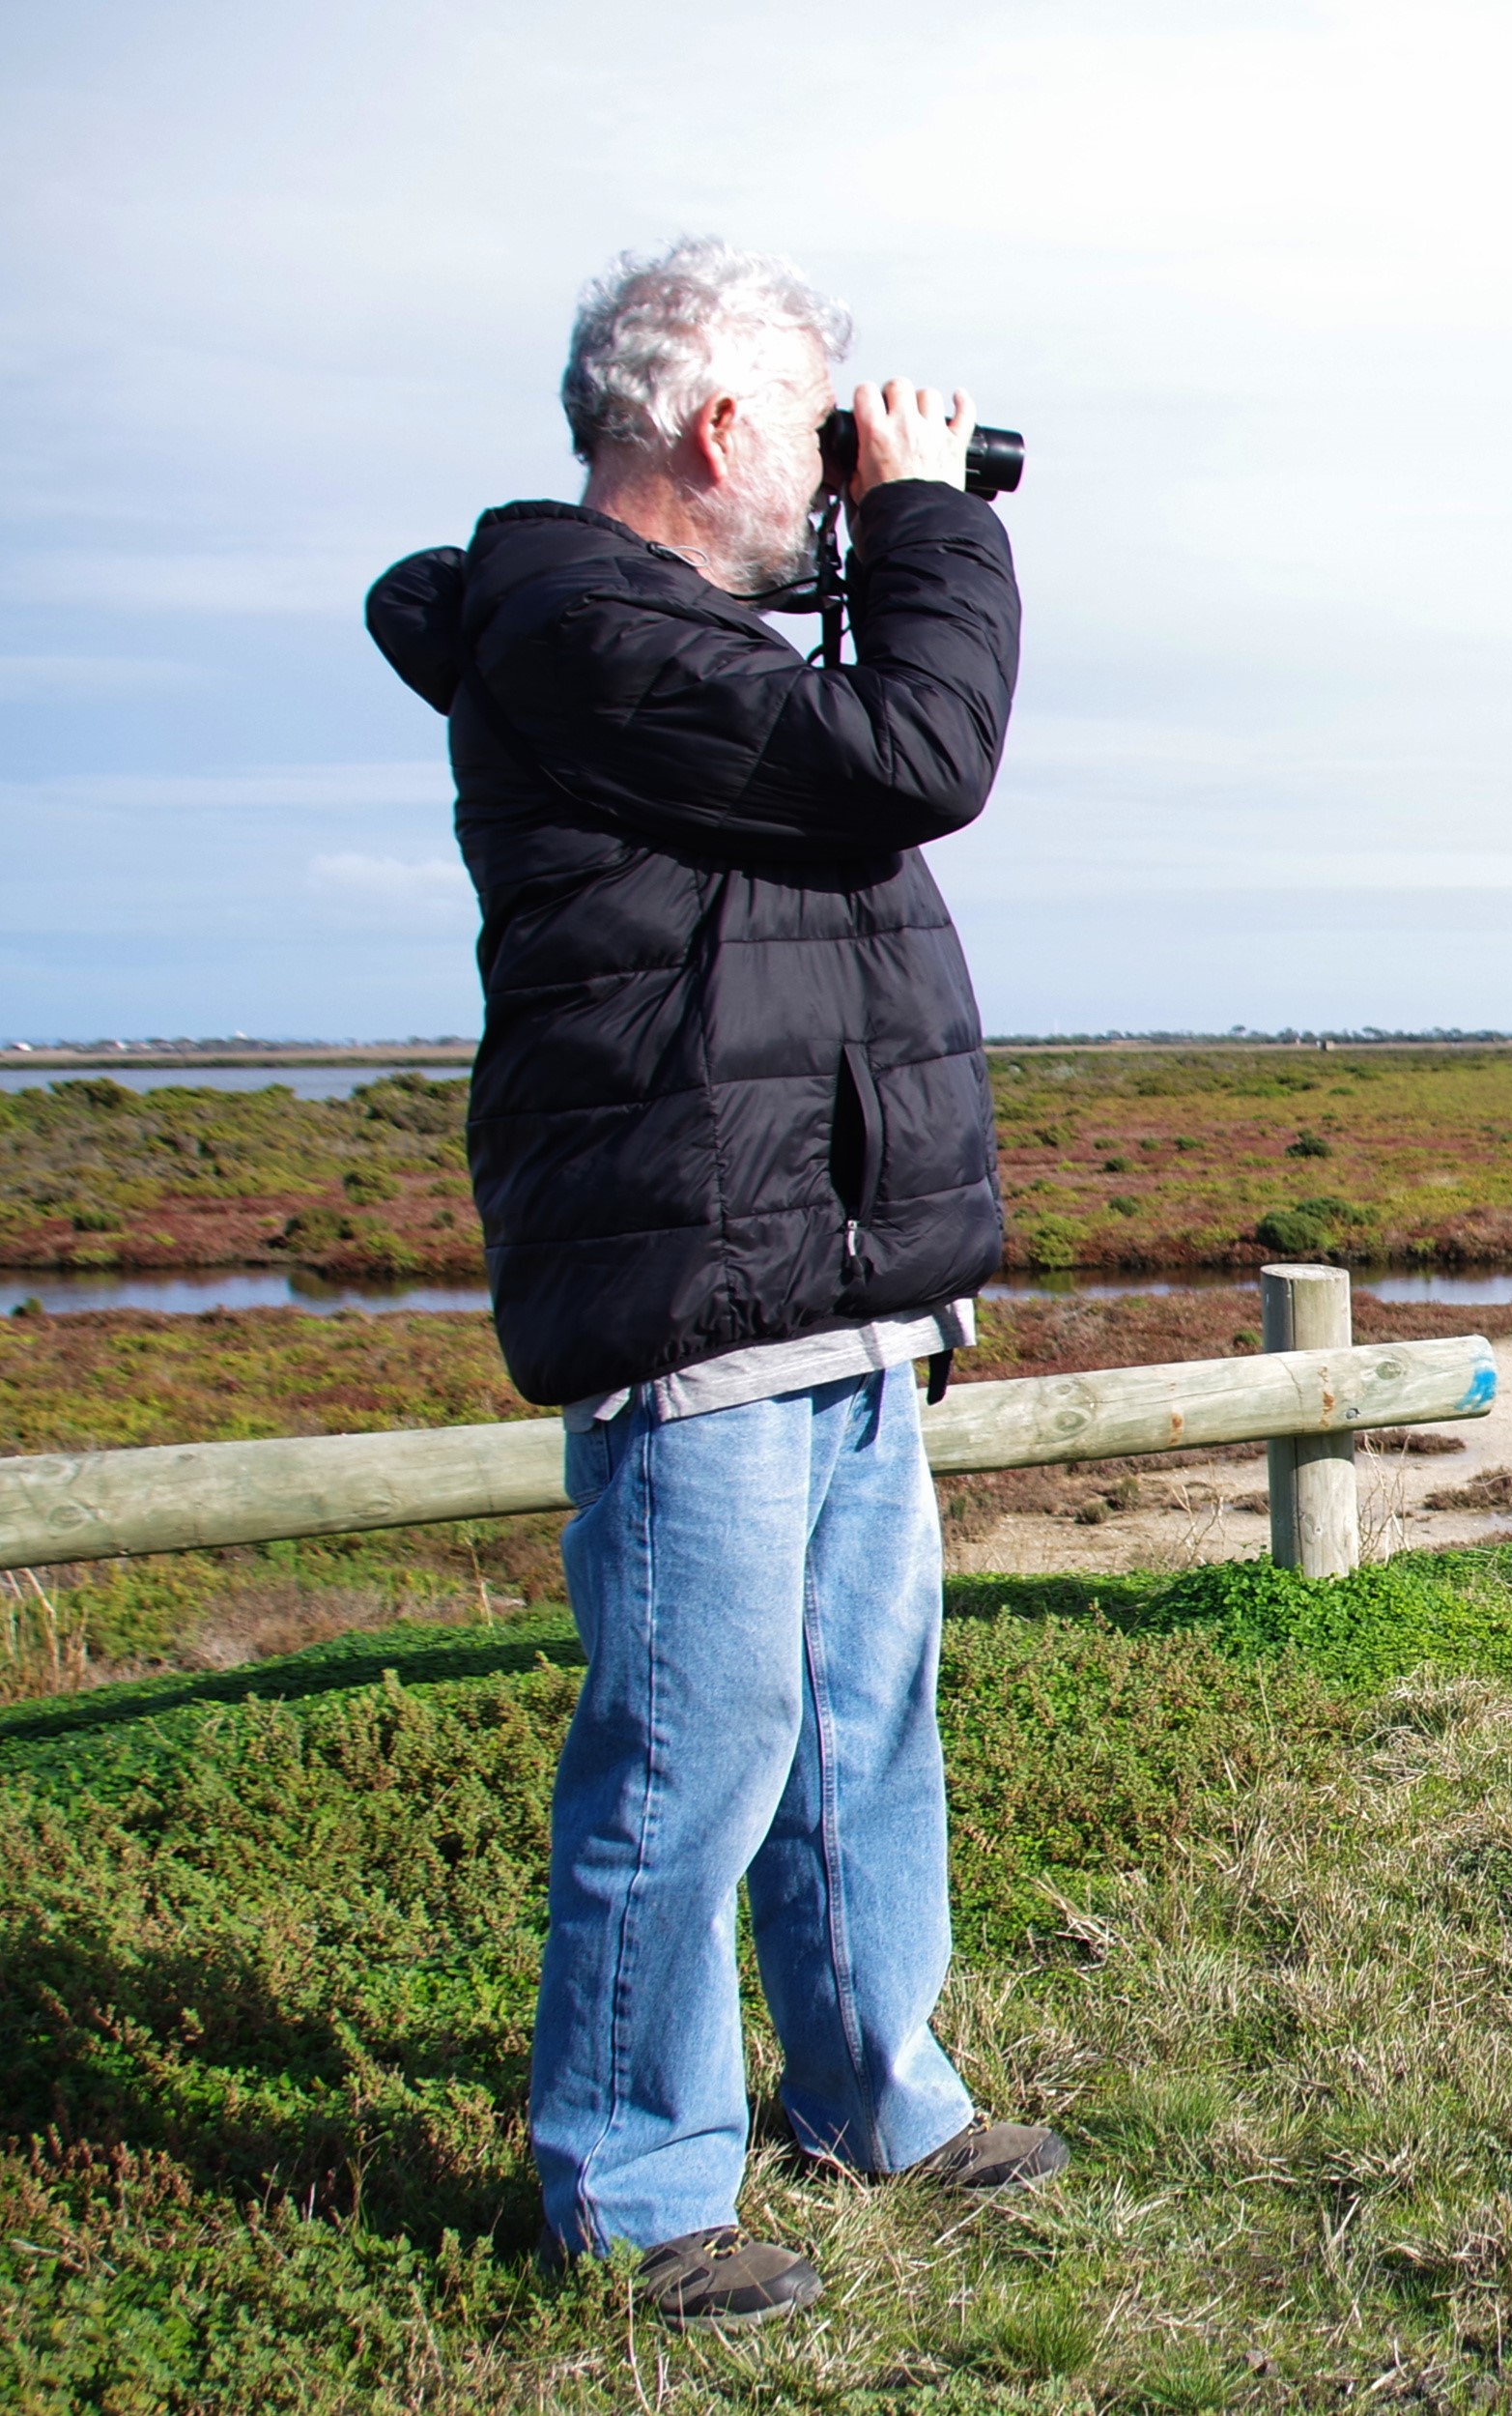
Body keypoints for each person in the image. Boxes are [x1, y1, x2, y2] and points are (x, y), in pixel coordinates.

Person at [363, 238, 1059, 2330]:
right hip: (703, 1284)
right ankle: (639, 2178)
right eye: (822, 427)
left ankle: (872, 2088)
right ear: (724, 424)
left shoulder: (684, 649)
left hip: (821, 1271)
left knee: (857, 1721)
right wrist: (926, 517)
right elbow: (915, 752)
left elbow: (850, 761)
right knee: (693, 1743)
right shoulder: (580, 629)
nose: (843, 469)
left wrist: (876, 538)